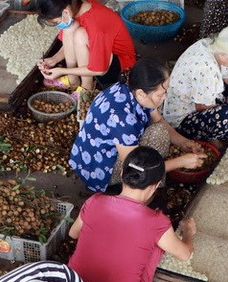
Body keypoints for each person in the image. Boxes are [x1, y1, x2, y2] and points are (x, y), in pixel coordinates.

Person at [67, 147, 195, 282]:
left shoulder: (94, 201)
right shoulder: (157, 222)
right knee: (155, 247)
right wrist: (189, 233)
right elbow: (184, 254)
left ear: (121, 174)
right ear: (156, 185)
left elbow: (73, 233)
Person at [70, 58, 208, 193]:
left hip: (96, 155)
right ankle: (144, 192)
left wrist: (183, 142)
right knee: (159, 134)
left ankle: (151, 184)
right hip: (99, 171)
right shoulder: (123, 119)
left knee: (159, 129)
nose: (165, 97)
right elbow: (136, 167)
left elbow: (158, 120)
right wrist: (181, 162)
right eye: (161, 94)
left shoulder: (132, 88)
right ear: (142, 93)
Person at [162, 25, 228, 145]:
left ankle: (224, 125)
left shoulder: (212, 45)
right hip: (184, 118)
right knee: (222, 115)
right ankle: (213, 137)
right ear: (224, 53)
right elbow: (202, 108)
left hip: (205, 97)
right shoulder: (206, 70)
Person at [36, 0, 136, 93]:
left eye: (57, 22)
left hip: (121, 68)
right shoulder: (77, 6)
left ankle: (86, 88)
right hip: (101, 55)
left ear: (65, 12)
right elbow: (70, 43)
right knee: (71, 28)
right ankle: (73, 80)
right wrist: (54, 59)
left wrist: (62, 71)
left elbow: (100, 70)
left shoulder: (96, 26)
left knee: (80, 34)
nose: (58, 26)